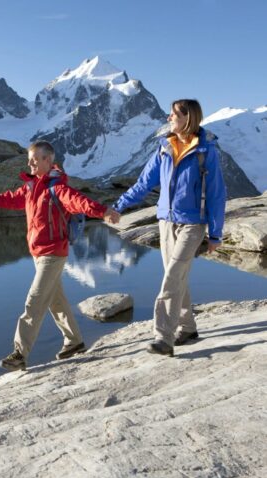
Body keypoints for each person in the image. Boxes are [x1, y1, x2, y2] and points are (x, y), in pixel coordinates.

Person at [0, 141, 120, 371]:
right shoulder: (30, 188)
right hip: (39, 254)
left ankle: (20, 353)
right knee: (56, 302)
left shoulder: (58, 188)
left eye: (35, 159)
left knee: (34, 301)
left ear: (48, 160)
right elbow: (7, 199)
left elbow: (78, 201)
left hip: (53, 253)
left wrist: (103, 211)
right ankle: (74, 342)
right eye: (29, 159)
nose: (30, 163)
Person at [111, 99, 226, 356]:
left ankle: (163, 337)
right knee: (177, 276)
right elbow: (143, 184)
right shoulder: (164, 147)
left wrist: (215, 233)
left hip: (193, 223)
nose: (168, 118)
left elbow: (217, 194)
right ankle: (187, 327)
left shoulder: (206, 151)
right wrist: (118, 206)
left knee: (172, 276)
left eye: (173, 114)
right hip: (165, 222)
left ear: (188, 118)